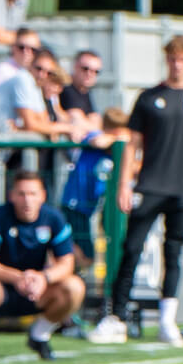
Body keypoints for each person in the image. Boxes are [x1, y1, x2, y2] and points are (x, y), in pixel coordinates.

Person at [90, 36, 183, 347]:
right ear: (166, 60)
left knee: (173, 252)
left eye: (182, 59)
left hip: (181, 187)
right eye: (172, 58)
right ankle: (117, 317)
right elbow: (132, 144)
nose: (177, 64)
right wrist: (125, 183)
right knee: (132, 248)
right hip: (150, 184)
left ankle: (168, 319)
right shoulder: (149, 97)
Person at [0, 171, 85, 360]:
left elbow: (67, 262)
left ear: (43, 196)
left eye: (32, 194)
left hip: (38, 292)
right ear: (12, 195)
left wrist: (43, 278)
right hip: (1, 290)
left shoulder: (53, 218)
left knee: (74, 286)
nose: (27, 200)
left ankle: (39, 335)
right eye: (21, 194)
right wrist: (17, 277)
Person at [61, 107, 129, 269]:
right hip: (75, 203)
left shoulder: (111, 151)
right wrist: (118, 138)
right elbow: (98, 141)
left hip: (90, 207)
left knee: (91, 253)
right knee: (83, 255)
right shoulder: (95, 137)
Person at [0, 27, 41, 93]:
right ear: (13, 47)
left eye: (33, 49)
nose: (26, 52)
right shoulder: (2, 70)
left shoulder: (41, 73)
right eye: (21, 47)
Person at [61, 50, 104, 132]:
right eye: (85, 69)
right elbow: (77, 121)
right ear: (75, 66)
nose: (90, 74)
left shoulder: (85, 92)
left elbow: (97, 122)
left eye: (96, 71)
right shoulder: (66, 89)